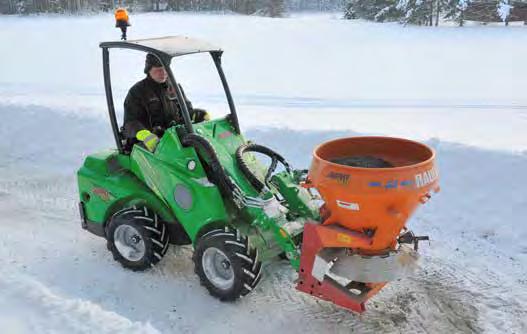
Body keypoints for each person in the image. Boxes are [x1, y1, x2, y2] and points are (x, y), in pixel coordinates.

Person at [123, 53, 210, 152]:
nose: (163, 73)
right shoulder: (137, 91)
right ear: (149, 70)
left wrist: (197, 114)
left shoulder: (174, 87)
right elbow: (130, 122)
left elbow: (186, 111)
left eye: (165, 69)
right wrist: (144, 135)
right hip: (148, 145)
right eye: (158, 70)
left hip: (174, 140)